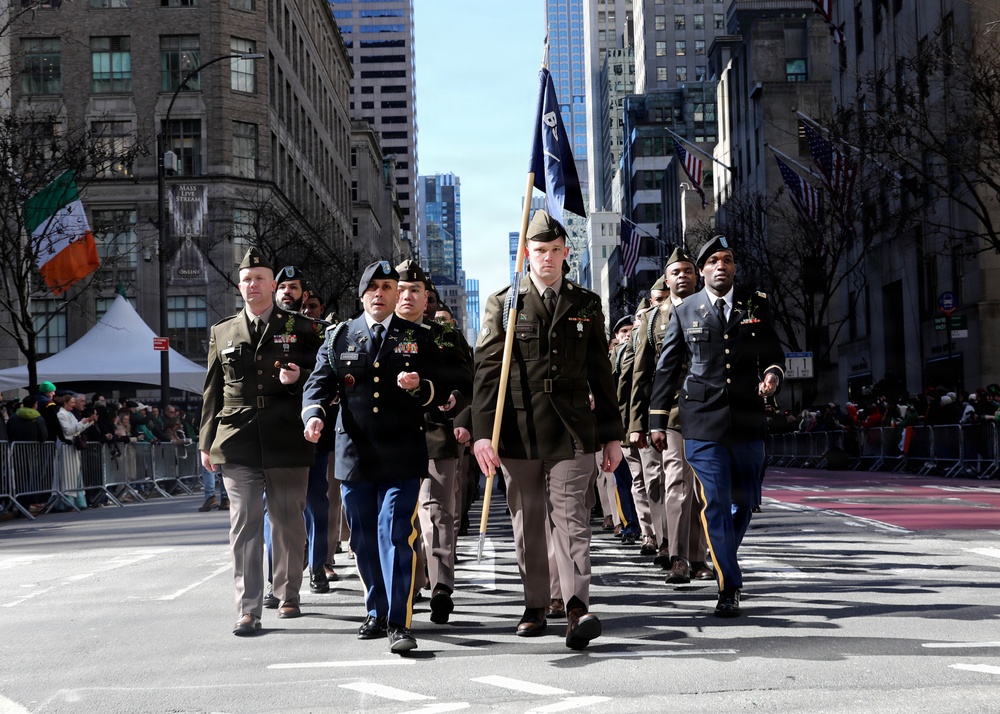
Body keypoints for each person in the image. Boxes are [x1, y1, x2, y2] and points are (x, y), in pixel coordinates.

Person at [472, 209, 623, 650]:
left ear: (566, 252)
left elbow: (602, 372)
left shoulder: (586, 303)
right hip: (518, 431)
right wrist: (484, 434)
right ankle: (536, 605)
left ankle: (577, 608)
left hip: (573, 430)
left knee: (573, 521)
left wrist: (611, 434)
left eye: (556, 251)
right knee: (527, 523)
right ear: (526, 254)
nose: (548, 259)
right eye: (540, 251)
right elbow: (485, 371)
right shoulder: (505, 302)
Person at [302, 260, 448, 654]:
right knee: (364, 539)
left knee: (394, 531)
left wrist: (422, 387)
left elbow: (444, 389)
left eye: (389, 287)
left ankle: (400, 622)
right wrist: (314, 414)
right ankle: (377, 609)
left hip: (402, 453)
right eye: (375, 288)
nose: (382, 294)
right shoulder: (339, 337)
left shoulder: (417, 336)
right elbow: (317, 385)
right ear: (362, 295)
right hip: (355, 454)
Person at [649, 235, 785, 617]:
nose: (720, 266)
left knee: (745, 502)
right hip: (702, 421)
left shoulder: (754, 304)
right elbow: (666, 369)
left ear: (734, 268)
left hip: (747, 418)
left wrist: (773, 376)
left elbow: (773, 355)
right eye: (713, 261)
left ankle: (719, 547)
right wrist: (657, 421)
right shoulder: (685, 310)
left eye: (727, 260)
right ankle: (729, 584)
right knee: (715, 503)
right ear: (703, 271)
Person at [199, 247, 323, 637]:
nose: (252, 285)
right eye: (246, 280)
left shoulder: (302, 329)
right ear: (240, 287)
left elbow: (322, 380)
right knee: (245, 524)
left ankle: (287, 592)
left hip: (287, 434)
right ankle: (248, 609)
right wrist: (205, 442)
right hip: (237, 438)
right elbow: (212, 391)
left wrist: (298, 377)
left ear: (273, 285)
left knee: (287, 520)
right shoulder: (223, 331)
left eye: (259, 279)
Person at [395, 259, 474, 625]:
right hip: (390, 437)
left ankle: (442, 586)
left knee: (439, 513)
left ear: (426, 297)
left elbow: (467, 380)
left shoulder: (443, 334)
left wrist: (454, 402)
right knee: (401, 516)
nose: (406, 295)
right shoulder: (376, 334)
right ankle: (409, 581)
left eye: (414, 290)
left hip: (436, 432)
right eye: (400, 289)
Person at [634, 247, 713, 583]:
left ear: (697, 276)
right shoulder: (654, 319)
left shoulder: (712, 308)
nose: (683, 277)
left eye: (688, 271)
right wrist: (641, 422)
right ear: (667, 280)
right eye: (676, 272)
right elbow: (641, 374)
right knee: (676, 482)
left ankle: (699, 557)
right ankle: (677, 556)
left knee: (701, 489)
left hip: (709, 408)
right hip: (672, 411)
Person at [265, 264, 330, 598]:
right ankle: (273, 579)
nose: (287, 292)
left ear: (304, 295)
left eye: (294, 287)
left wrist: (301, 375)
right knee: (272, 508)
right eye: (283, 287)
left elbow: (324, 377)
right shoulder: (261, 328)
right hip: (272, 430)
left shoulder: (315, 330)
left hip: (311, 428)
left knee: (316, 502)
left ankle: (317, 566)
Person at [53, 393, 96, 511]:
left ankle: (76, 501)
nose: (73, 405)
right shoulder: (61, 414)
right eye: (71, 403)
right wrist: (82, 423)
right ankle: (66, 502)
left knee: (75, 474)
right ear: (65, 403)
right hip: (66, 448)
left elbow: (76, 429)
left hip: (72, 448)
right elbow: (68, 431)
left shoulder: (69, 414)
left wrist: (88, 422)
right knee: (68, 476)